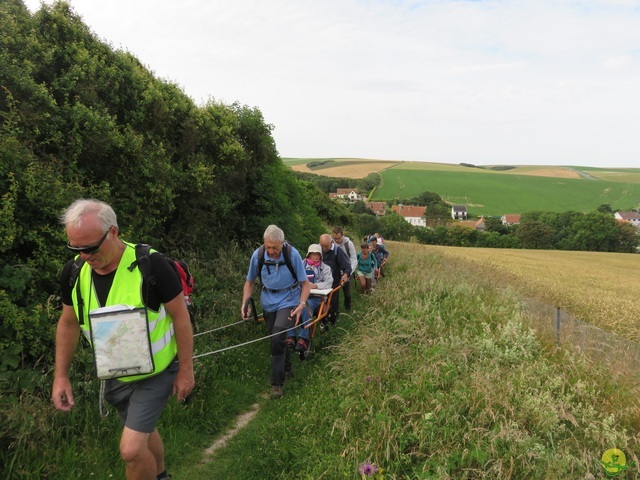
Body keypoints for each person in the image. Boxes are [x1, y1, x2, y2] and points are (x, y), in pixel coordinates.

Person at [52, 199, 194, 480]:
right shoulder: (75, 273)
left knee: (130, 449)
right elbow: (67, 323)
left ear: (113, 231)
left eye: (91, 247)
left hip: (157, 372)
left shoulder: (150, 265)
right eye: (76, 248)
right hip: (115, 375)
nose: (84, 255)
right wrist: (60, 376)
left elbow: (180, 317)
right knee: (142, 431)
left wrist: (186, 371)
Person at [241, 225, 310, 399]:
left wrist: (302, 304)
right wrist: (245, 303)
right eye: (268, 247)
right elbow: (249, 282)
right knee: (275, 337)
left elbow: (305, 284)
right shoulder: (258, 255)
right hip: (268, 301)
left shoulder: (292, 254)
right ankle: (287, 368)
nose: (271, 251)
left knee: (278, 335)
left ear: (282, 243)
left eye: (275, 248)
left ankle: (276, 383)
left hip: (289, 299)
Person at [285, 244, 333, 353]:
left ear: (321, 255)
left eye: (317, 254)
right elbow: (291, 278)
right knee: (290, 305)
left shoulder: (325, 268)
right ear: (308, 254)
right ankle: (291, 336)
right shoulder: (300, 264)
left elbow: (329, 283)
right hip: (299, 294)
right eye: (313, 254)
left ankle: (303, 338)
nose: (315, 256)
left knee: (305, 305)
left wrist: (315, 286)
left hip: (316, 296)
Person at [318, 233, 352, 326]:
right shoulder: (318, 250)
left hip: (334, 283)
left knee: (333, 304)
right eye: (322, 246)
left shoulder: (338, 251)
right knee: (321, 305)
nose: (324, 249)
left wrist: (346, 274)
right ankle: (323, 323)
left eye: (326, 246)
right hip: (320, 284)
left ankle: (333, 324)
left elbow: (347, 266)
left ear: (331, 242)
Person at [331, 226, 357, 311]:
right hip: (336, 272)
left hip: (347, 271)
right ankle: (335, 312)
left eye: (338, 238)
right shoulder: (331, 244)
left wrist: (349, 273)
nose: (337, 240)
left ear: (342, 235)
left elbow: (353, 259)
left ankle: (348, 308)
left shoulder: (349, 244)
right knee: (334, 294)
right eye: (335, 238)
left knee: (347, 293)